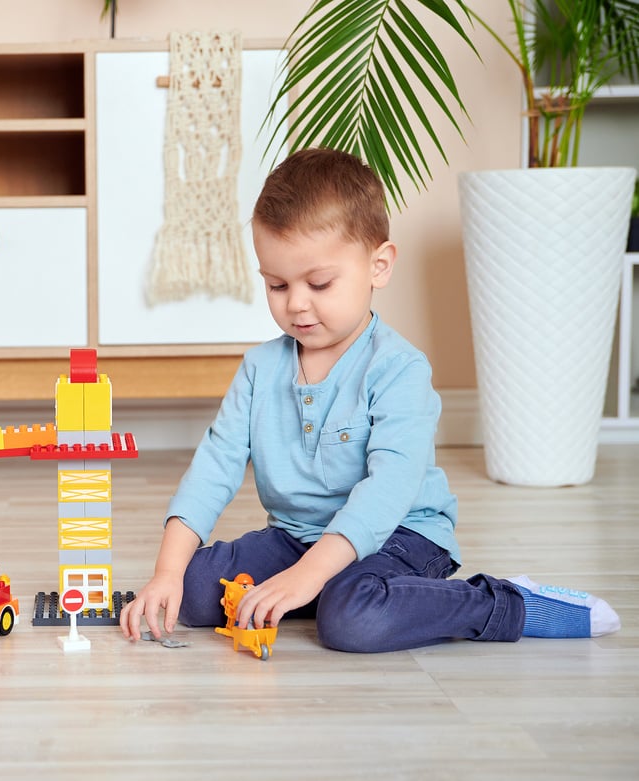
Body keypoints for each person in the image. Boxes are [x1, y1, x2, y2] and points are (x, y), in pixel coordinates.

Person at [119, 148, 621, 653]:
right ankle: (321, 587)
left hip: (401, 536)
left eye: (319, 283)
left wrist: (309, 574)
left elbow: (388, 491)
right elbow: (215, 467)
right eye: (276, 285)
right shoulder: (258, 370)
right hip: (300, 536)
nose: (296, 303)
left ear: (378, 266)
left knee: (353, 619)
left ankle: (501, 602)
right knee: (196, 589)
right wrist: (167, 573)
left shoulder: (400, 369)